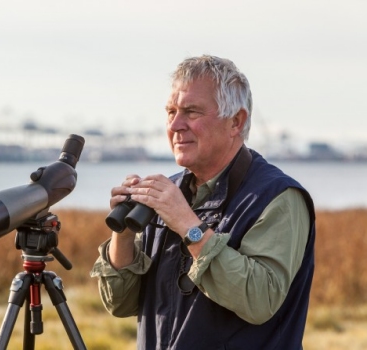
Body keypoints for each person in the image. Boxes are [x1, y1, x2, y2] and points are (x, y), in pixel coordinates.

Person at [90, 55, 315, 349]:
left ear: (236, 121)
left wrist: (188, 225)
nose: (176, 125)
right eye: (170, 112)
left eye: (191, 112)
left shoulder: (278, 197)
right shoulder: (169, 193)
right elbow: (120, 303)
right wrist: (124, 233)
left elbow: (260, 300)